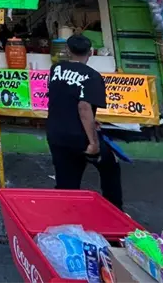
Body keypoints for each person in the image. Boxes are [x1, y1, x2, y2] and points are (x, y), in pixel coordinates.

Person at [46, 34, 122, 209]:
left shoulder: (55, 69)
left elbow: (65, 98)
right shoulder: (92, 76)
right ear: (91, 52)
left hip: (56, 133)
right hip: (79, 137)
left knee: (66, 181)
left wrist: (92, 121)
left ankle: (66, 220)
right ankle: (114, 211)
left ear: (67, 50)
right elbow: (84, 107)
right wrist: (93, 142)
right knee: (110, 167)